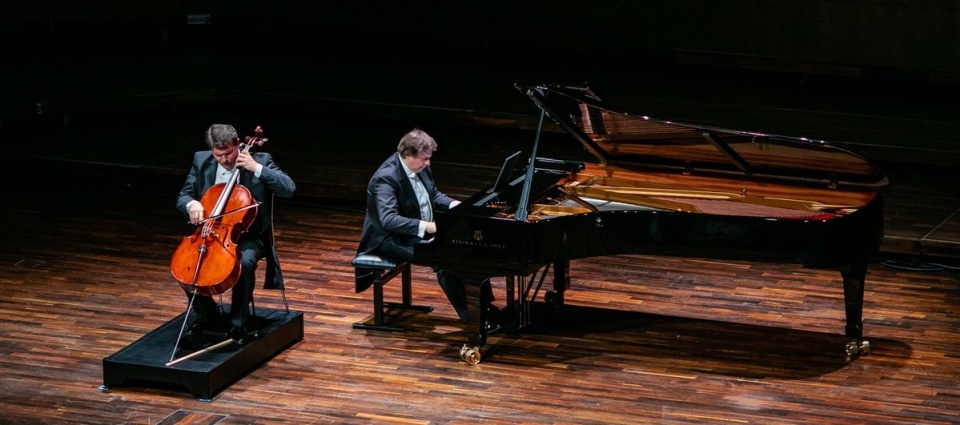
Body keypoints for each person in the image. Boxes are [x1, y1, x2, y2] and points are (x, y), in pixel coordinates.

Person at [357, 128, 501, 333]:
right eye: (424, 159)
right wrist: (429, 227)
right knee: (446, 260)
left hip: (418, 231)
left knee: (470, 248)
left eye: (429, 158)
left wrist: (457, 206)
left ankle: (485, 307)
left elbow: (433, 194)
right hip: (389, 239)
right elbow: (388, 220)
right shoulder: (386, 178)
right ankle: (472, 318)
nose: (428, 163)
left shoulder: (419, 167)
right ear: (407, 155)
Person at [175, 123, 296, 345]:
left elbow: (289, 189)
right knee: (186, 263)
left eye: (228, 153)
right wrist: (191, 204)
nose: (224, 160)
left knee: (244, 263)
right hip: (210, 231)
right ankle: (206, 312)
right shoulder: (201, 161)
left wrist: (256, 168)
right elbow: (183, 195)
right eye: (218, 155)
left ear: (237, 144)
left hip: (249, 234)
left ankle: (240, 321)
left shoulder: (260, 158)